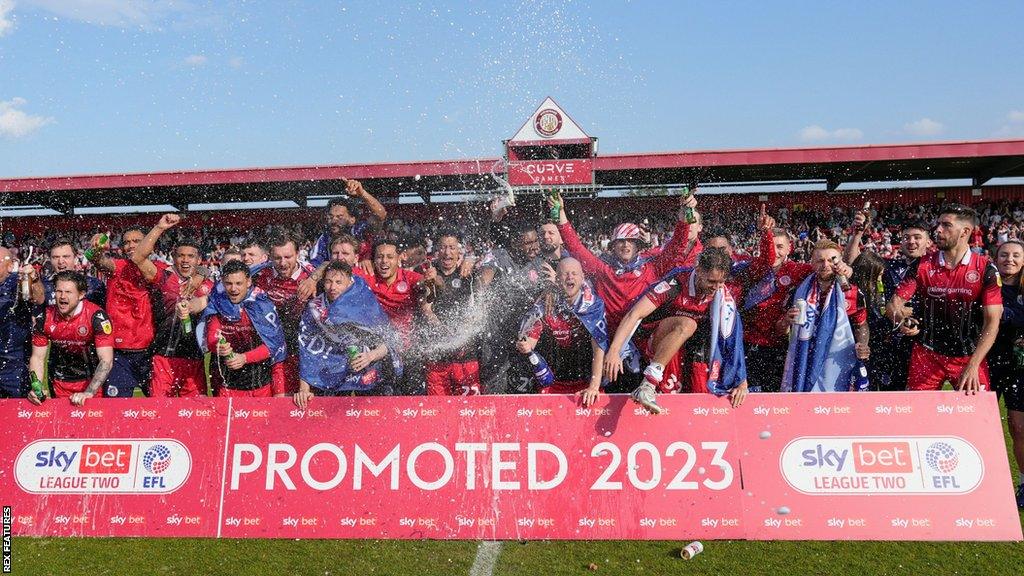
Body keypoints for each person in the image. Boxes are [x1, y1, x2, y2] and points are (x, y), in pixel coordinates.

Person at [552, 191, 701, 391]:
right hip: (609, 343)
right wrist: (561, 215)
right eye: (620, 241)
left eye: (630, 240)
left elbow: (676, 248)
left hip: (643, 341)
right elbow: (576, 248)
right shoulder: (602, 269)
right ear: (612, 246)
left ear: (638, 244)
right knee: (611, 389)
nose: (625, 244)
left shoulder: (652, 268)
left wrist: (684, 215)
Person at [607, 248, 739, 414]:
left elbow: (733, 335)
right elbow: (634, 314)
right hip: (651, 341)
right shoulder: (675, 283)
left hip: (681, 350)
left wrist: (741, 380)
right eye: (711, 281)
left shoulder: (722, 294)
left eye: (721, 282)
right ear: (698, 271)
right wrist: (613, 351)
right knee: (688, 324)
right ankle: (648, 384)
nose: (716, 287)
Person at [887, 204, 1003, 394]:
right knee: (916, 416)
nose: (937, 230)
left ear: (965, 231)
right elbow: (893, 305)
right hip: (926, 353)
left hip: (969, 356)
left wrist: (974, 364)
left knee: (975, 418)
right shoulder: (922, 265)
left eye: (946, 225)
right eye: (938, 224)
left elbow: (992, 323)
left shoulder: (985, 269)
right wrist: (901, 321)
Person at [294, 261, 402, 406]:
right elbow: (306, 348)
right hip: (334, 376)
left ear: (349, 283)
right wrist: (304, 389)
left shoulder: (364, 303)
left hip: (369, 373)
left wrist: (370, 356)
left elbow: (389, 341)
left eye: (339, 282)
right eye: (328, 282)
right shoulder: (315, 308)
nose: (333, 287)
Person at [846, 212, 933, 390]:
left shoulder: (936, 271)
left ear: (929, 242)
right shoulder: (890, 266)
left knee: (913, 402)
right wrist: (857, 235)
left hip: (920, 344)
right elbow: (853, 263)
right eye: (906, 237)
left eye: (917, 237)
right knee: (879, 398)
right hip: (883, 344)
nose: (911, 241)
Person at [132, 214, 214, 397]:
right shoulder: (164, 279)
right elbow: (138, 258)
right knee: (160, 414)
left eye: (191, 256)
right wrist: (159, 228)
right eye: (181, 256)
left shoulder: (209, 285)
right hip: (163, 357)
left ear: (199, 259)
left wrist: (201, 279)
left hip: (195, 360)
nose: (185, 260)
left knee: (195, 415)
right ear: (173, 257)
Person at [780, 240, 870, 392]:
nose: (826, 265)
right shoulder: (797, 291)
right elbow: (781, 330)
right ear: (812, 263)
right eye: (820, 260)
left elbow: (861, 324)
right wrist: (785, 322)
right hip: (804, 359)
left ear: (840, 262)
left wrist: (862, 345)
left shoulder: (852, 292)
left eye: (831, 260)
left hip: (836, 359)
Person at [516, 258, 607, 404]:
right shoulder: (546, 303)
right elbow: (529, 341)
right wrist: (525, 346)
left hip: (586, 381)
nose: (570, 277)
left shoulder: (593, 305)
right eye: (565, 274)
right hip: (553, 382)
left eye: (574, 274)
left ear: (583, 278)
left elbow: (599, 348)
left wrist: (594, 386)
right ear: (557, 279)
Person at [741, 223, 814, 392]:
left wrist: (845, 269)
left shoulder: (798, 270)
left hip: (778, 345)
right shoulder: (754, 269)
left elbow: (825, 270)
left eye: (780, 247)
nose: (775, 252)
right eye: (770, 246)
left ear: (790, 248)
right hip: (747, 342)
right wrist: (765, 232)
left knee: (773, 395)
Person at [197, 260, 287, 397]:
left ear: (249, 282)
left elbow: (274, 346)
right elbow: (211, 338)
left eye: (239, 283)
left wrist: (245, 358)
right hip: (228, 388)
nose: (233, 289)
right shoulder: (219, 304)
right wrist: (218, 347)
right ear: (222, 282)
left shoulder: (261, 305)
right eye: (228, 283)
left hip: (260, 387)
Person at [87, 226, 155, 397]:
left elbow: (185, 273)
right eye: (126, 242)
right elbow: (99, 261)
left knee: (159, 407)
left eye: (136, 241)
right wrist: (96, 247)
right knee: (115, 408)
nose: (131, 245)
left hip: (149, 353)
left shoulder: (157, 269)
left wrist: (202, 271)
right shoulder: (118, 267)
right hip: (118, 353)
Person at [28, 271, 114, 405]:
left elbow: (106, 361)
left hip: (91, 382)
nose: (62, 297)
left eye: (68, 292)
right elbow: (37, 357)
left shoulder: (96, 317)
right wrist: (36, 388)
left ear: (81, 295)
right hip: (58, 382)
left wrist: (89, 392)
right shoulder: (44, 318)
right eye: (58, 291)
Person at [253, 231, 314, 396]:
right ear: (270, 256)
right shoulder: (259, 275)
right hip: (274, 349)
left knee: (308, 405)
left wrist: (315, 279)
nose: (283, 263)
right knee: (279, 401)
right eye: (277, 258)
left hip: (305, 350)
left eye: (288, 257)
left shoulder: (311, 276)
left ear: (298, 253)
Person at [420, 232, 482, 396]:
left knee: (470, 409)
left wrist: (473, 258)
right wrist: (447, 335)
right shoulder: (430, 274)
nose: (447, 252)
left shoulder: (468, 275)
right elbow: (427, 309)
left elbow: (476, 310)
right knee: (438, 410)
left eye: (452, 248)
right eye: (443, 247)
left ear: (459, 252)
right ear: (436, 251)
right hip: (438, 357)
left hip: (465, 355)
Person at [990, 240, 1024, 506]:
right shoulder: (986, 283)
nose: (1009, 259)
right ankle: (981, 483)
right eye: (1004, 255)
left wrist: (1006, 314)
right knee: (979, 425)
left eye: (1015, 255)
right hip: (985, 363)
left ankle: (1023, 483)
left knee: (1019, 427)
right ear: (996, 258)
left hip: (1018, 368)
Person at [308, 179, 387, 266]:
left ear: (352, 220)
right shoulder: (324, 239)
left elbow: (381, 214)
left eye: (339, 217)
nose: (334, 220)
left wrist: (362, 193)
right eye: (331, 217)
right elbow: (313, 267)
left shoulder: (359, 231)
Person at [0, 246, 42, 398]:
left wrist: (33, 278)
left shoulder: (17, 281)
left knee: (18, 408)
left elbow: (39, 298)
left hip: (15, 363)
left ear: (11, 266)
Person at [42, 238, 105, 308]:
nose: (60, 261)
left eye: (66, 256)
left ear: (75, 258)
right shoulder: (42, 286)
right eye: (56, 257)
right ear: (50, 260)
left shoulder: (93, 285)